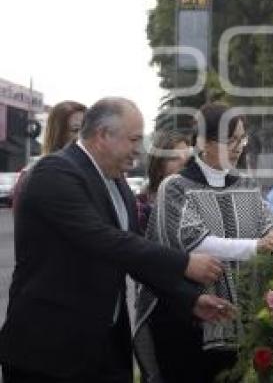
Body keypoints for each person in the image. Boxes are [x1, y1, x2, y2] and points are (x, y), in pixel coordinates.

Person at [0, 97, 232, 383]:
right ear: (102, 136)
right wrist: (184, 262)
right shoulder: (54, 172)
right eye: (134, 139)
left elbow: (132, 253)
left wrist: (189, 299)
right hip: (49, 354)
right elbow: (105, 240)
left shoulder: (118, 181)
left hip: (106, 350)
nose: (139, 149)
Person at [134, 102, 273, 383]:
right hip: (187, 323)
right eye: (231, 140)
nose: (239, 146)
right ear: (203, 142)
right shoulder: (176, 187)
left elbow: (271, 225)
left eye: (243, 138)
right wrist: (256, 247)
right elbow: (195, 242)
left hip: (241, 325)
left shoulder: (247, 185)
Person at [10, 99, 87, 210]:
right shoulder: (34, 173)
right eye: (75, 130)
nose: (81, 137)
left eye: (86, 130)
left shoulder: (95, 170)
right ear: (57, 133)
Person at [136, 129, 192, 233]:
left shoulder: (201, 202)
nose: (184, 164)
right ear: (158, 167)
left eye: (188, 159)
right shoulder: (140, 209)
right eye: (175, 158)